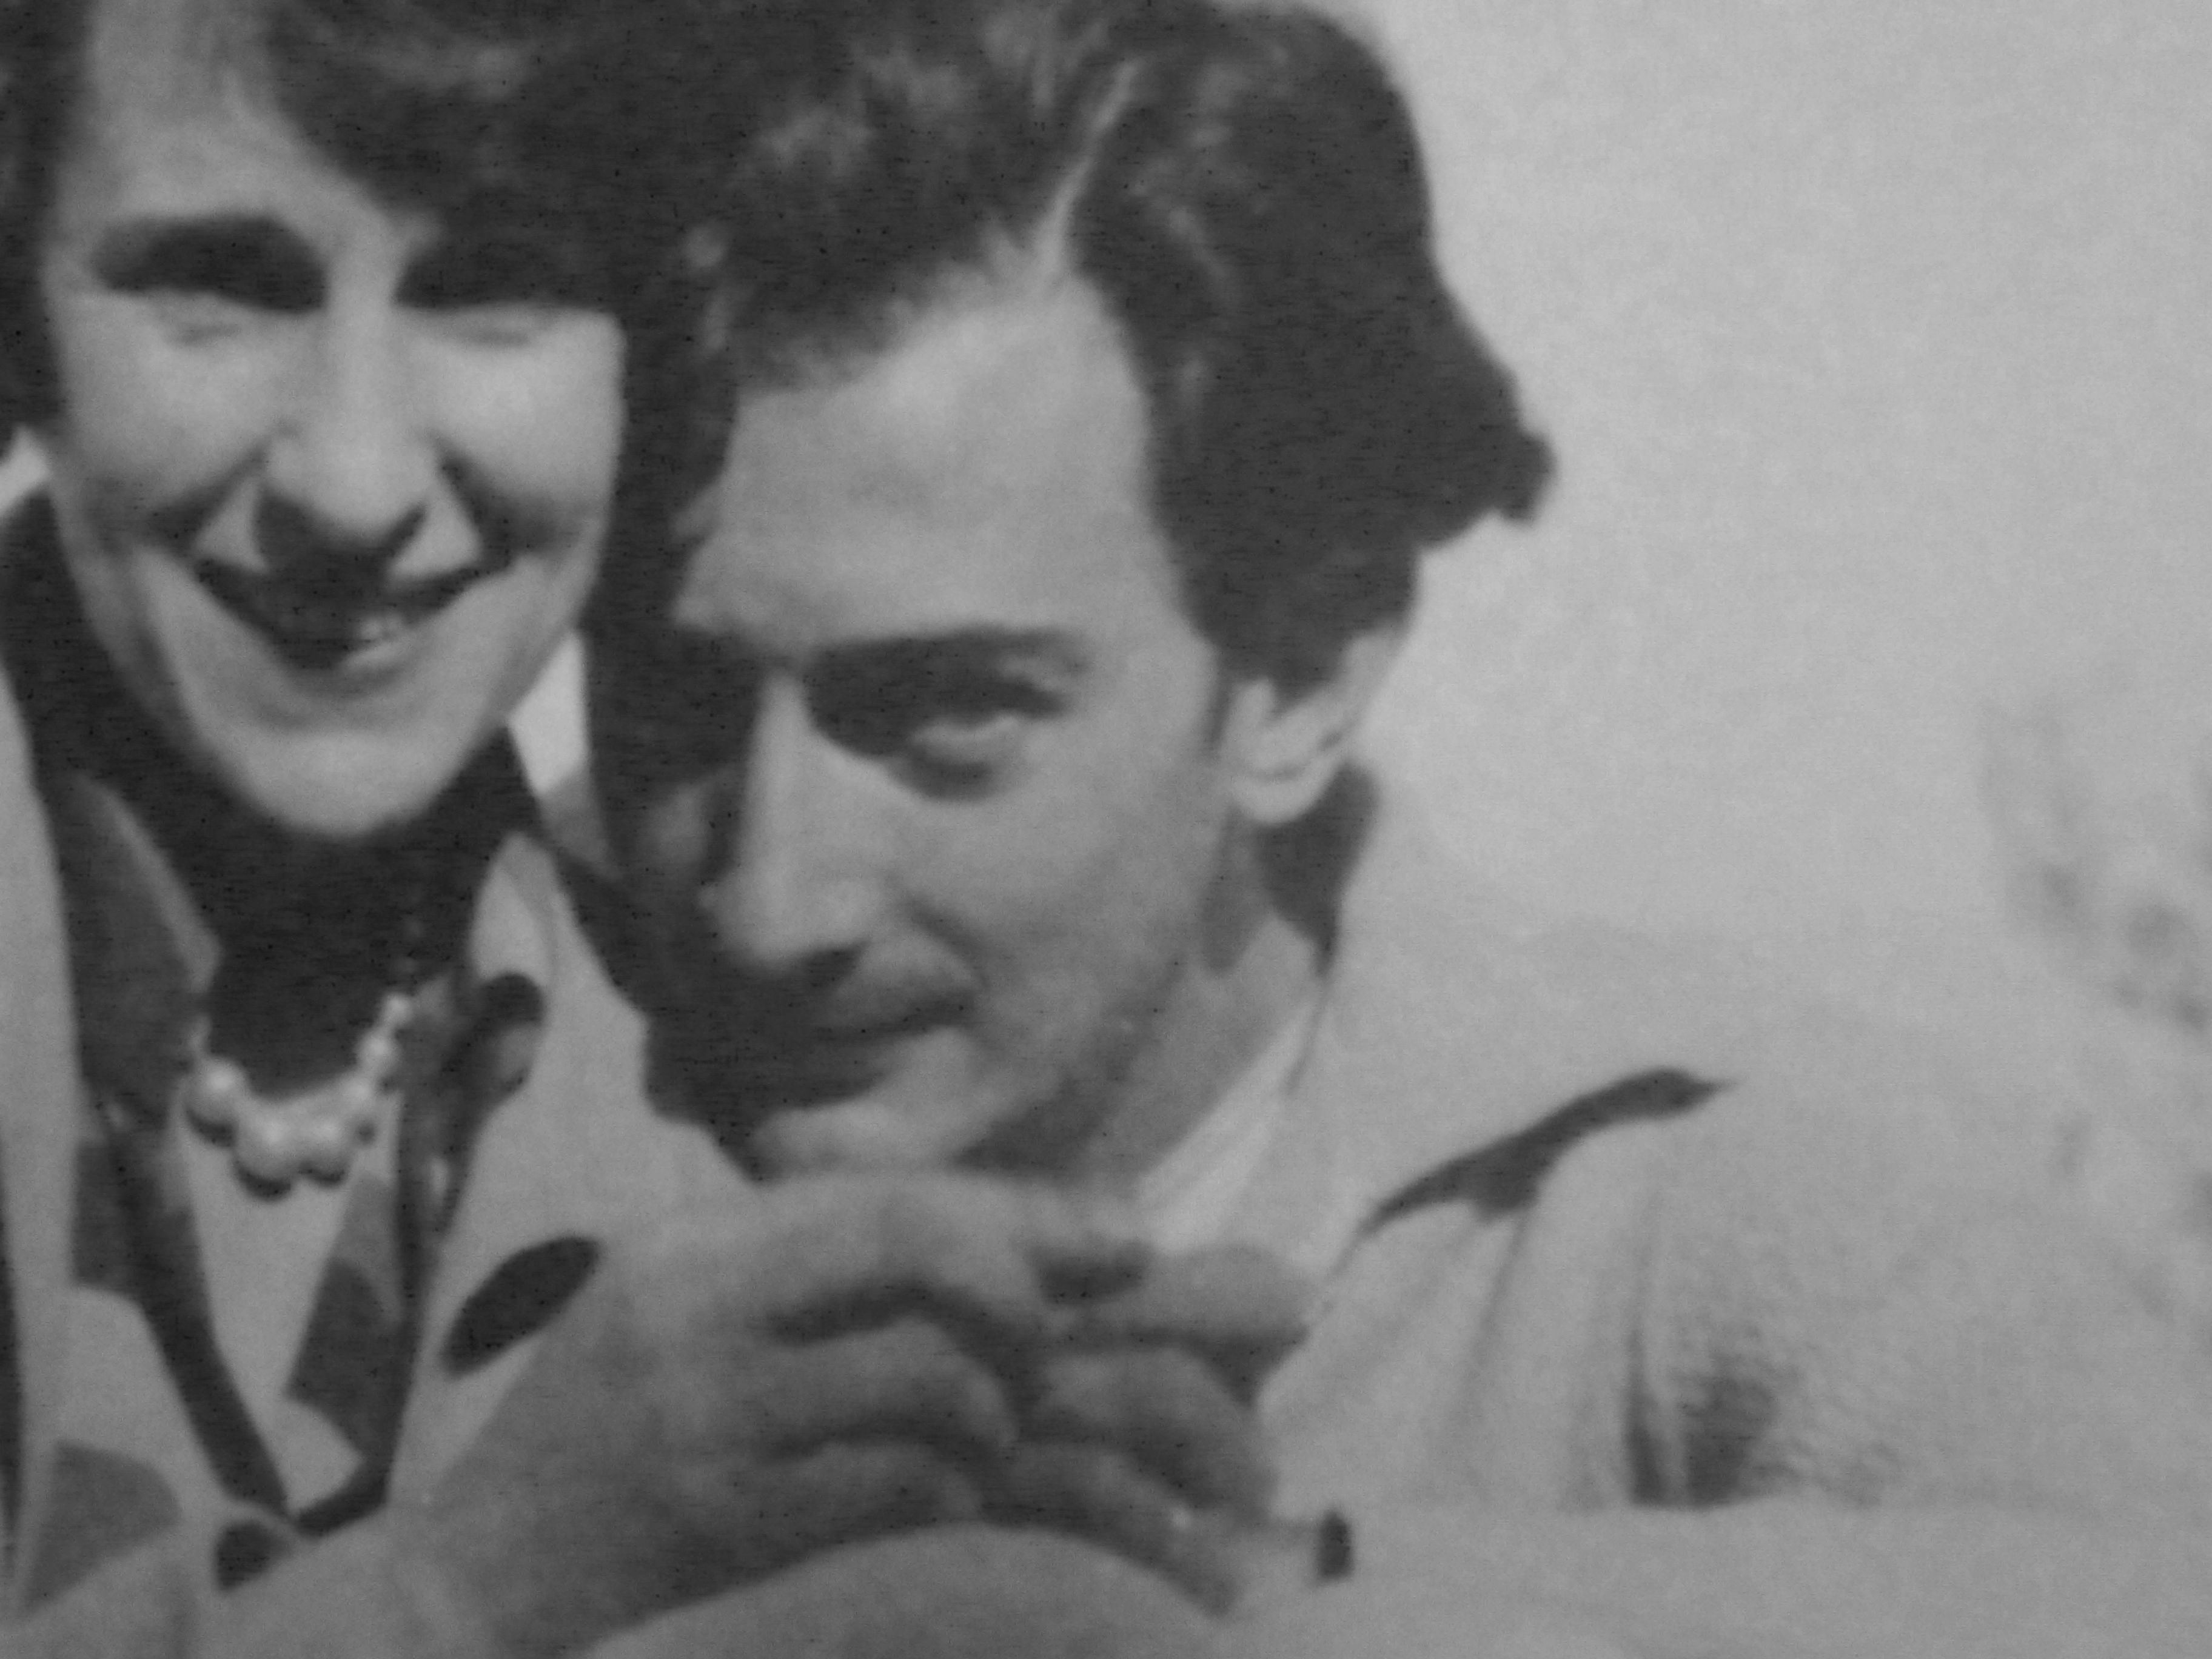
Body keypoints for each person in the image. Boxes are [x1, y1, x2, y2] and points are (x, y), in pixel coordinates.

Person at [578, 0, 2212, 1652]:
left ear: (1301, 679)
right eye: (674, 703)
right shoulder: (482, 1052)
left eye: (948, 712)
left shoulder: (1700, 1191)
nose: (771, 904)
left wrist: (1248, 1595)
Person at [0, 0, 1281, 1653]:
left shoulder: (695, 1078)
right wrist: (462, 1589)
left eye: (498, 282)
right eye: (220, 283)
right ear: (22, 327)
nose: (355, 483)